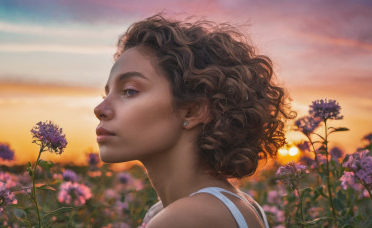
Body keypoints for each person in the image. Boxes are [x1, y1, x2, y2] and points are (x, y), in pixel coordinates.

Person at [94, 14, 293, 228]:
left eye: (130, 91)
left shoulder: (186, 218)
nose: (100, 109)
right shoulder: (235, 204)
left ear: (193, 111)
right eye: (106, 94)